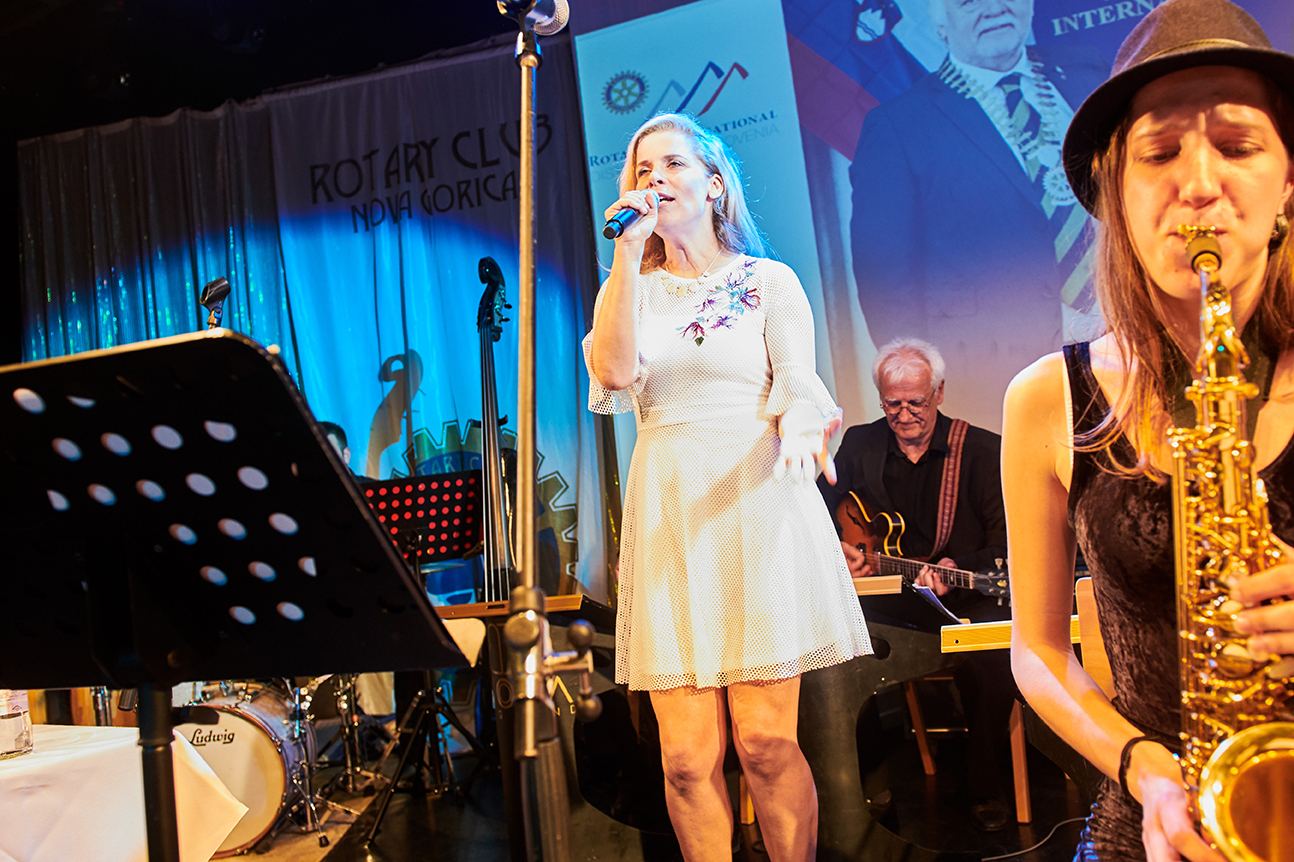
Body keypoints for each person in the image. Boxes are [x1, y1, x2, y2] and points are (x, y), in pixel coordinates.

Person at [1003, 1, 1294, 859]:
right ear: (1114, 192)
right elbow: (1038, 651)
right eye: (1160, 153)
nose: (1198, 184)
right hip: (1153, 824)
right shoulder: (1047, 397)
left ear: (1288, 183)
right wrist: (1145, 771)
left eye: (1238, 146)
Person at [584, 112, 871, 861]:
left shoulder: (767, 283)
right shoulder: (628, 288)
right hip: (671, 518)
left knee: (766, 743)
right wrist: (625, 256)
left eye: (673, 165)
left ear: (715, 184)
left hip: (756, 507)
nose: (656, 180)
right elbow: (612, 374)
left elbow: (799, 385)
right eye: (642, 170)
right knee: (685, 760)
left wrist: (803, 428)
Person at [849, 0, 1108, 432]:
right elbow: (887, 284)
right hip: (993, 387)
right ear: (939, 22)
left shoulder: (1088, 73)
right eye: (968, 1)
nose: (992, 7)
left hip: (1122, 349)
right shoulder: (898, 126)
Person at [818, 337, 1014, 831]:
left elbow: (1007, 543)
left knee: (994, 660)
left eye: (916, 403)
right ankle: (872, 786)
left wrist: (956, 566)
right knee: (841, 654)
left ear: (939, 393)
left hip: (966, 593)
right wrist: (839, 550)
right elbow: (816, 510)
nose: (904, 415)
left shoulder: (982, 450)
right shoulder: (861, 444)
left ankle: (984, 787)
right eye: (892, 404)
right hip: (889, 598)